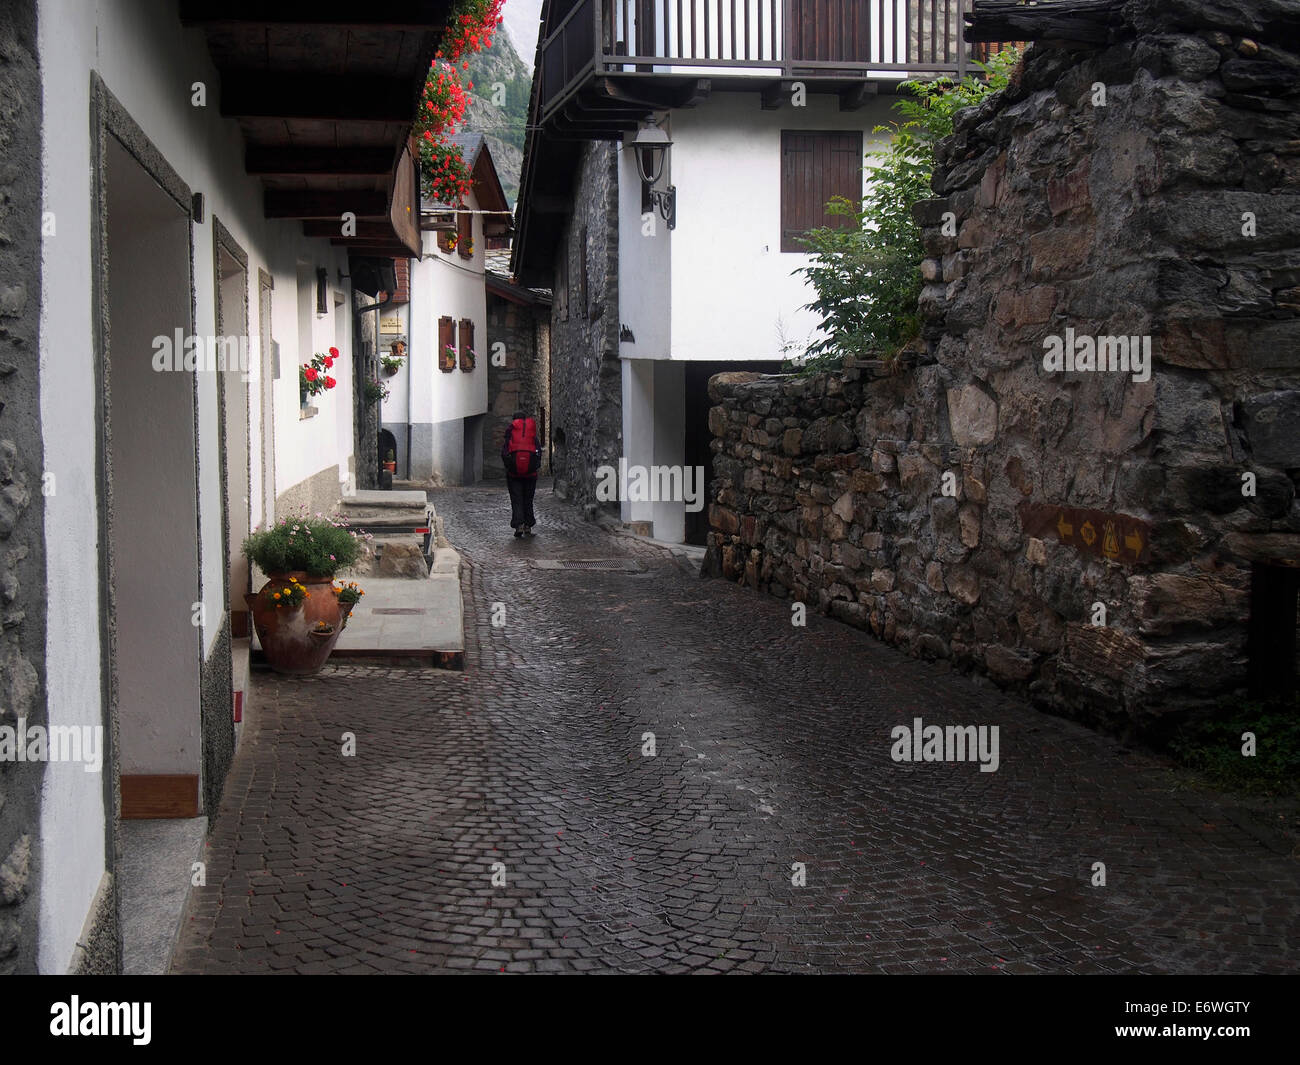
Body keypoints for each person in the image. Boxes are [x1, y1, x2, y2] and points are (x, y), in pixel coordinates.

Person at [501, 409, 540, 537]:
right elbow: (538, 451)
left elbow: (505, 452)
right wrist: (535, 466)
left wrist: (510, 466)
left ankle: (519, 525)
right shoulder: (531, 434)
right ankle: (528, 525)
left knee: (517, 499)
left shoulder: (511, 433)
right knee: (528, 499)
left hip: (514, 474)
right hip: (530, 474)